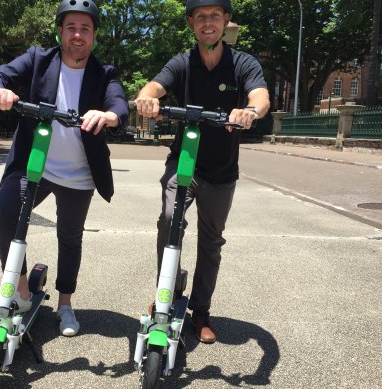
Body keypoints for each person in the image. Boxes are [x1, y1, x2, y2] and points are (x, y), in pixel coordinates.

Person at [0, 0, 128, 337]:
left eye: (85, 29)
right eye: (71, 27)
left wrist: (109, 116)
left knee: (70, 238)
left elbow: (119, 102)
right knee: (1, 214)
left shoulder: (103, 74)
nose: (78, 35)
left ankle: (65, 305)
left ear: (93, 36)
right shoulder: (37, 59)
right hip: (36, 166)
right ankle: (20, 290)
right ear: (60, 31)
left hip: (79, 174)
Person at [134, 0, 270, 344]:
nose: (207, 23)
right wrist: (147, 98)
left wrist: (250, 111)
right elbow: (154, 86)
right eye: (200, 17)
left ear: (225, 21)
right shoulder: (183, 62)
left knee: (211, 242)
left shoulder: (243, 63)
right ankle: (166, 292)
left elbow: (261, 96)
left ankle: (202, 311)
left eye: (214, 16)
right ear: (192, 24)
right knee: (169, 219)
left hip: (222, 171)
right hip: (184, 162)